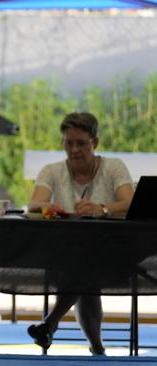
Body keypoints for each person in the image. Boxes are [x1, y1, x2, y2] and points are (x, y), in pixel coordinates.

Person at [26, 112, 134, 355]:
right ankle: (95, 348)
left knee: (85, 268)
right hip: (66, 257)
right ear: (62, 143)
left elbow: (130, 202)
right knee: (85, 270)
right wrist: (47, 207)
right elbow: (33, 205)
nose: (74, 150)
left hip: (115, 257)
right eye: (68, 143)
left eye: (81, 143)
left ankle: (51, 324)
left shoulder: (113, 166)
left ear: (95, 143)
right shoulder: (51, 171)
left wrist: (102, 209)